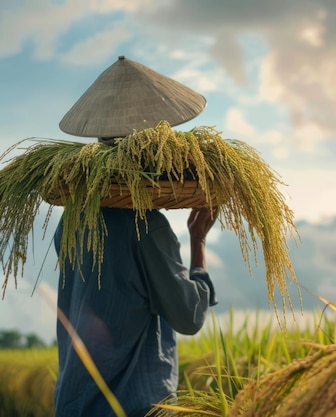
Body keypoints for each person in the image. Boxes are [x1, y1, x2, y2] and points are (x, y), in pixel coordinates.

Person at [52, 56, 218, 416]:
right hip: (135, 406)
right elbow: (188, 316)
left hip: (74, 403)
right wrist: (198, 242)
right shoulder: (146, 226)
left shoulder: (72, 220)